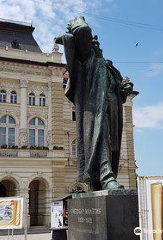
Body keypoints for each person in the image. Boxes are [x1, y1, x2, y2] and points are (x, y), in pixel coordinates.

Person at [55, 16, 133, 190]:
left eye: (97, 44)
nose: (95, 45)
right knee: (101, 137)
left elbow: (117, 92)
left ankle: (100, 180)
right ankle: (106, 176)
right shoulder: (87, 62)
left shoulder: (110, 68)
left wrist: (124, 90)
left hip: (112, 111)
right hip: (94, 111)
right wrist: (77, 21)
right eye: (92, 43)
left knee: (112, 144)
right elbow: (82, 30)